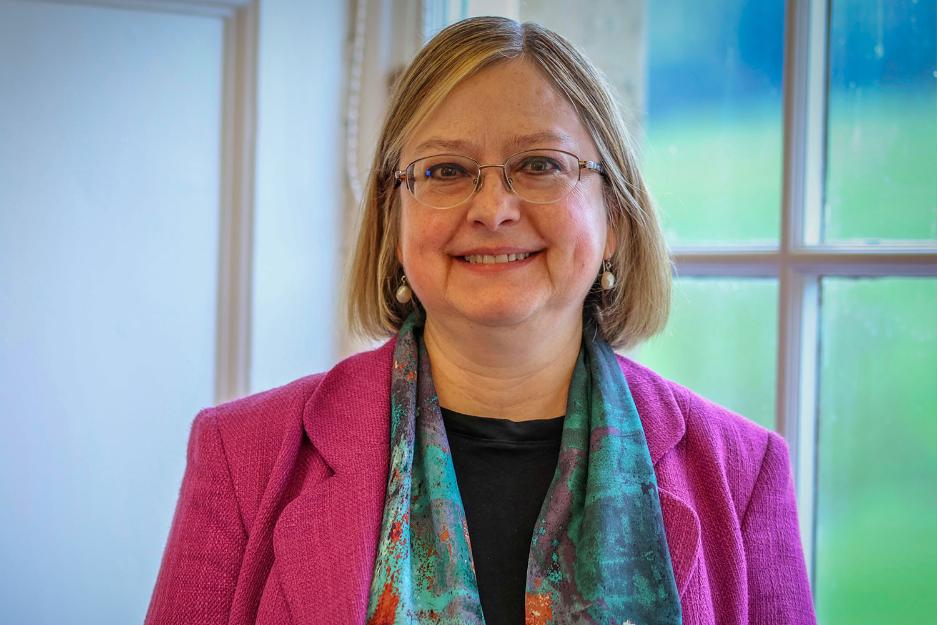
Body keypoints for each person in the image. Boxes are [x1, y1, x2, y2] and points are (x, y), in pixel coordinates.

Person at [146, 16, 816, 625]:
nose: (493, 207)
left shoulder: (743, 471)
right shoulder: (241, 456)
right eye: (445, 169)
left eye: (539, 165)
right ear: (394, 216)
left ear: (612, 215)